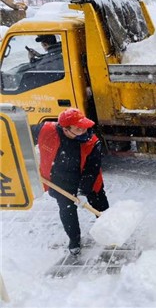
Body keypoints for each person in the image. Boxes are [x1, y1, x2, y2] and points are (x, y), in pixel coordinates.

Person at [34, 108, 109, 255]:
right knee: (67, 211)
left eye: (84, 126)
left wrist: (82, 192)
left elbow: (91, 170)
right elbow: (18, 134)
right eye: (78, 128)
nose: (84, 131)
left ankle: (109, 230)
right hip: (59, 182)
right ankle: (74, 240)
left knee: (100, 206)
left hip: (89, 181)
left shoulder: (93, 142)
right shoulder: (46, 130)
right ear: (65, 129)